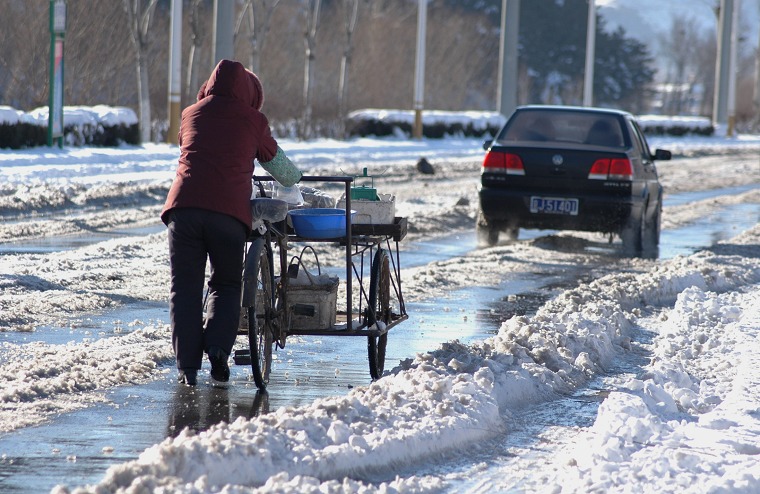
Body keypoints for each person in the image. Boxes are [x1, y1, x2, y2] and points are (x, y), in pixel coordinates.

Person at [161, 59, 301, 386]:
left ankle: (187, 369)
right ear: (251, 94)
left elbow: (195, 150)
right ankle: (219, 351)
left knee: (184, 288)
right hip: (228, 216)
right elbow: (281, 169)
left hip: (184, 211)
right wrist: (295, 177)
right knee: (225, 284)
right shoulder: (253, 120)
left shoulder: (190, 114)